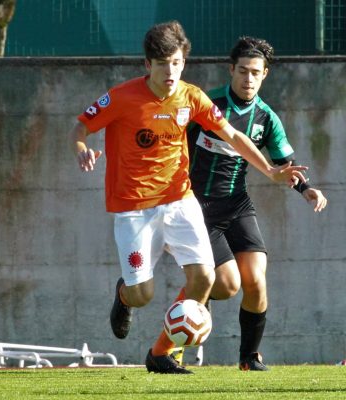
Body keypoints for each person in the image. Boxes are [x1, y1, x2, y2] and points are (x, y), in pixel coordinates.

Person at [71, 22, 308, 374]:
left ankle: (163, 353)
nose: (171, 72)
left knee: (205, 280)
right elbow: (81, 127)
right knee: (143, 295)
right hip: (135, 209)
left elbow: (233, 136)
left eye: (178, 63)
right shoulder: (121, 97)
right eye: (163, 63)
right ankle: (124, 295)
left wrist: (271, 171)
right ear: (147, 65)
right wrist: (81, 149)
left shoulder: (192, 97)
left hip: (181, 202)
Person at [187, 36, 328, 371]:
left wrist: (306, 189)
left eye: (255, 73)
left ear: (264, 75)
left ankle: (249, 358)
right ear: (230, 70)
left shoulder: (267, 119)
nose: (248, 79)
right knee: (227, 284)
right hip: (197, 207)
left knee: (255, 281)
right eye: (243, 71)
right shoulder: (208, 106)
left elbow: (285, 163)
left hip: (237, 206)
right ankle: (186, 315)